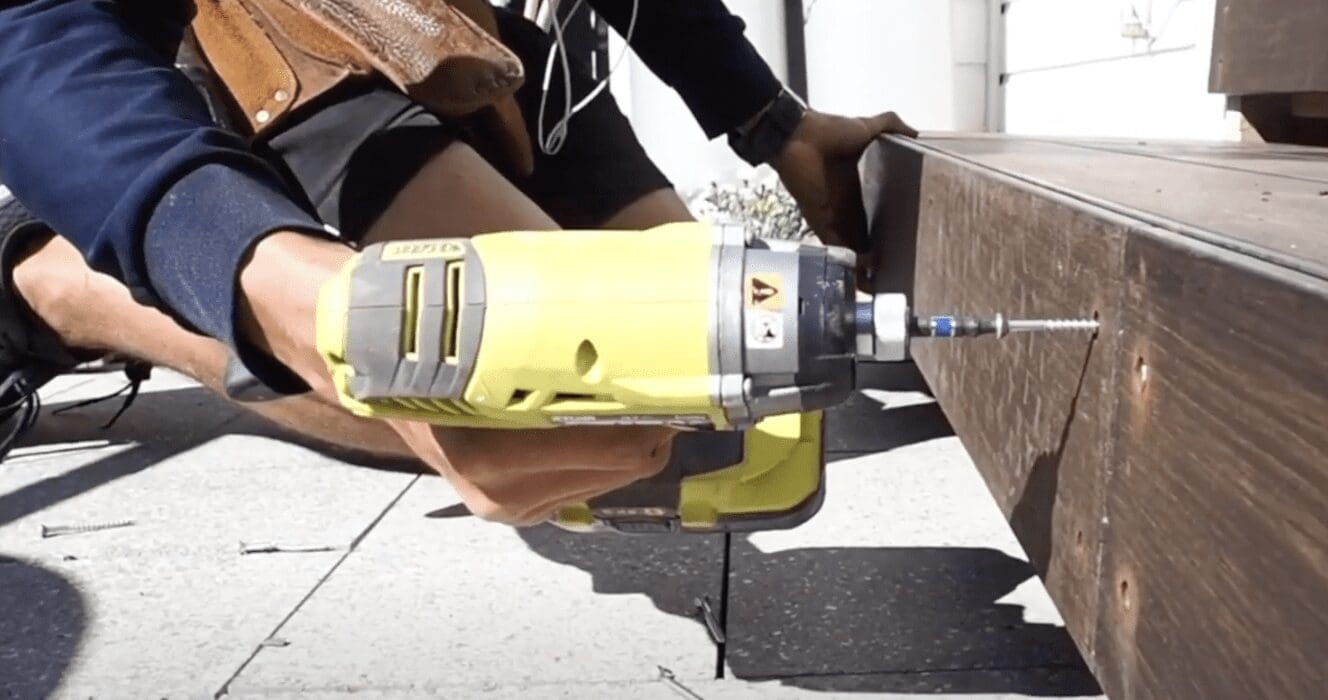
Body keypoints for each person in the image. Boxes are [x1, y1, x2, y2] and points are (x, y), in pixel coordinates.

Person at [0, 0, 915, 525]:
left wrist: (770, 120)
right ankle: (61, 281)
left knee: (707, 379)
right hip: (281, 57)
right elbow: (30, 28)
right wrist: (254, 271)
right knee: (497, 392)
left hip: (468, 47)